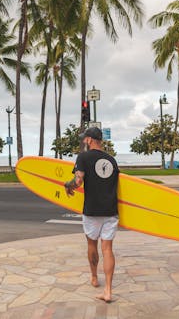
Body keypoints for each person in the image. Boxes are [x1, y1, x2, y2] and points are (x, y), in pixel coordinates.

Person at [64, 127, 119, 303]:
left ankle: (94, 277)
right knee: (108, 249)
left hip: (92, 210)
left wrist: (67, 185)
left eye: (84, 139)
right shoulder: (112, 160)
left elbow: (78, 181)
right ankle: (108, 290)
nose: (83, 142)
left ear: (89, 140)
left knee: (91, 244)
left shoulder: (83, 157)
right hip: (111, 209)